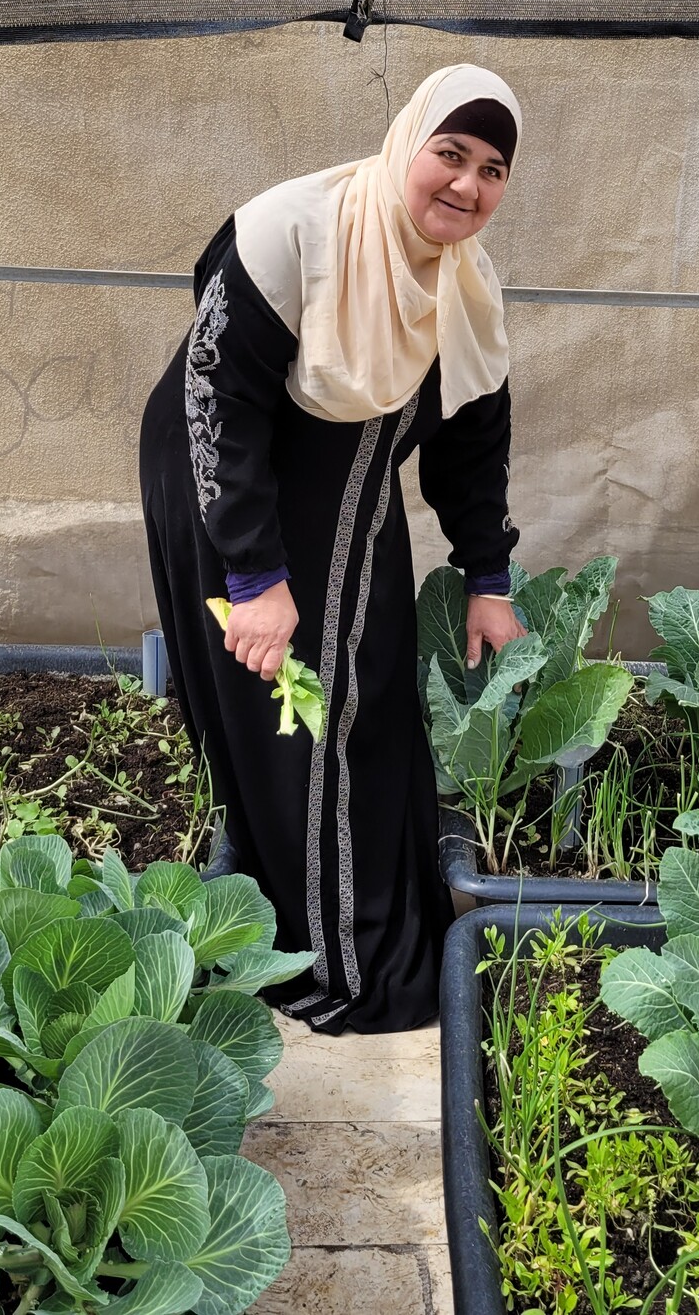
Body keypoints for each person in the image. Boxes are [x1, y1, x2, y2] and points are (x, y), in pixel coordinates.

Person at [138, 64, 527, 1033]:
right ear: (408, 146)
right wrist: (254, 577)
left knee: (371, 687)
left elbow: (474, 442)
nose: (465, 185)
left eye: (490, 168)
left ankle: (376, 923)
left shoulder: (463, 290)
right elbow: (214, 397)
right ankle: (331, 961)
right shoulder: (295, 231)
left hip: (350, 490)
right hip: (230, 488)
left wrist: (486, 576)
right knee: (303, 710)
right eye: (448, 154)